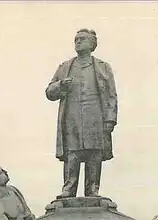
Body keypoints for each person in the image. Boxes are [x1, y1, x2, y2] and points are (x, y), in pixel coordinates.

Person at [46, 29, 118, 198]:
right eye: (76, 39)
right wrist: (61, 85)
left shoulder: (103, 67)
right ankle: (69, 187)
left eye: (82, 39)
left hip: (95, 117)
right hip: (72, 118)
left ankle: (92, 188)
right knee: (73, 152)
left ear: (92, 44)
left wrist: (110, 120)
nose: (78, 42)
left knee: (94, 153)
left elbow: (111, 95)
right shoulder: (65, 68)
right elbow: (49, 92)